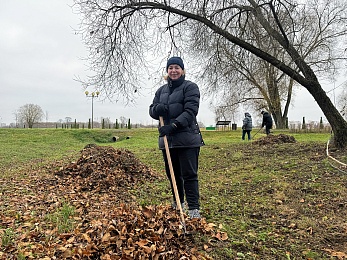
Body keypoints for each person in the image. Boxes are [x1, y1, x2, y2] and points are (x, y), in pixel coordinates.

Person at [149, 56, 205, 219]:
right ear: (167, 71)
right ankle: (178, 203)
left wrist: (173, 126)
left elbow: (190, 111)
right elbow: (152, 109)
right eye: (170, 68)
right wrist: (156, 109)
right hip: (168, 141)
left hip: (187, 139)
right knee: (172, 173)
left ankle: (193, 209)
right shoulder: (161, 91)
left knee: (189, 174)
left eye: (177, 68)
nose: (173, 71)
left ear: (182, 70)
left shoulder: (190, 87)